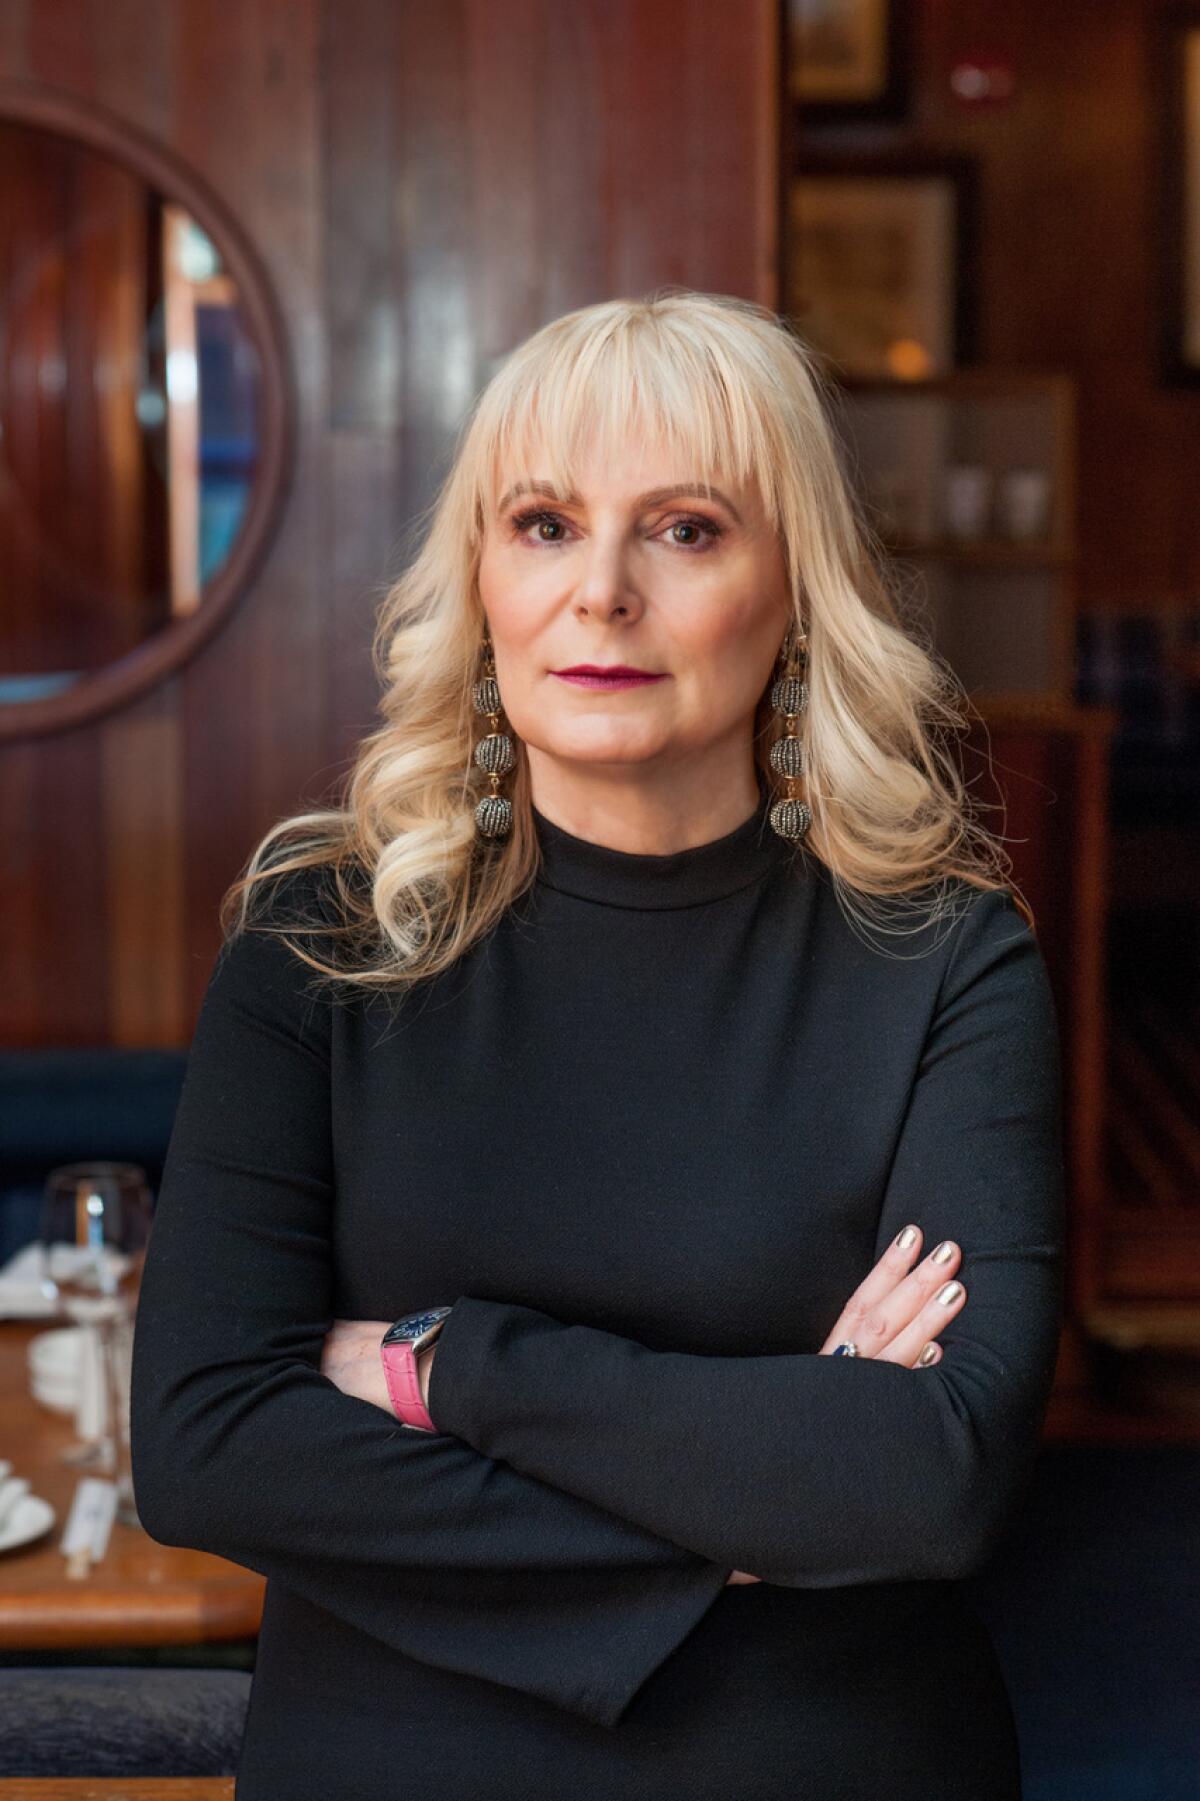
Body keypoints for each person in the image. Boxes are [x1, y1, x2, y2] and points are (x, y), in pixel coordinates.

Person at [130, 289, 1065, 1800]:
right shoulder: (320, 935)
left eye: (687, 528)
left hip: (817, 1756)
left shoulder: (947, 955)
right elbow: (204, 1443)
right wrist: (755, 1501)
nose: (602, 593)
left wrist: (455, 1368)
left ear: (799, 587)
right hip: (392, 1752)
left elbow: (930, 1478)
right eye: (547, 524)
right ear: (484, 572)